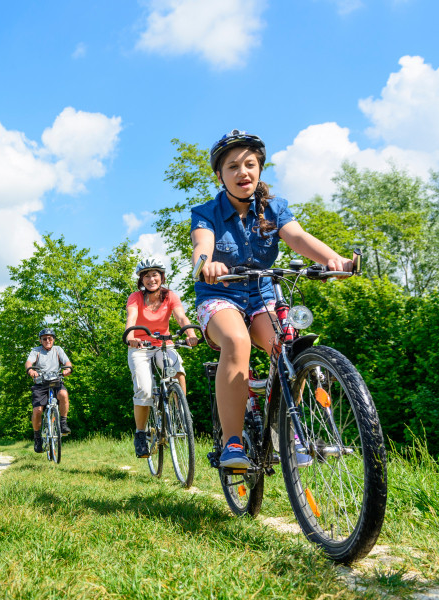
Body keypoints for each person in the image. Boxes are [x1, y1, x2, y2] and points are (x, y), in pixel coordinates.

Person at [191, 130, 352, 469]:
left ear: (259, 169)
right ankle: (232, 442)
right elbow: (202, 245)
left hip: (262, 295)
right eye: (233, 166)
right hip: (220, 295)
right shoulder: (206, 212)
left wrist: (333, 260)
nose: (242, 172)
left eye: (250, 164)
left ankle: (286, 428)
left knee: (287, 347)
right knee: (237, 341)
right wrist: (206, 264)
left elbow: (299, 238)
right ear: (219, 175)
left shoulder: (275, 209)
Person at [125, 258, 199, 459]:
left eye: (155, 275)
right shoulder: (135, 297)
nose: (151, 279)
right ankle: (141, 434)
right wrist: (131, 336)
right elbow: (131, 318)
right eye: (147, 276)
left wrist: (190, 334)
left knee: (177, 370)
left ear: (162, 277)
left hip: (163, 343)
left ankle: (181, 411)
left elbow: (181, 317)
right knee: (144, 390)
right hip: (140, 346)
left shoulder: (170, 296)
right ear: (141, 280)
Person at [25, 328, 73, 452]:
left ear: (53, 339)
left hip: (56, 382)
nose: (47, 340)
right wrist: (31, 370)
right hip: (40, 383)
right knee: (37, 411)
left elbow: (67, 362)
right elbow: (29, 363)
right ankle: (37, 438)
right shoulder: (36, 351)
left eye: (50, 338)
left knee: (63, 394)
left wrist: (67, 369)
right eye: (44, 339)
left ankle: (63, 423)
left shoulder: (58, 350)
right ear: (40, 340)